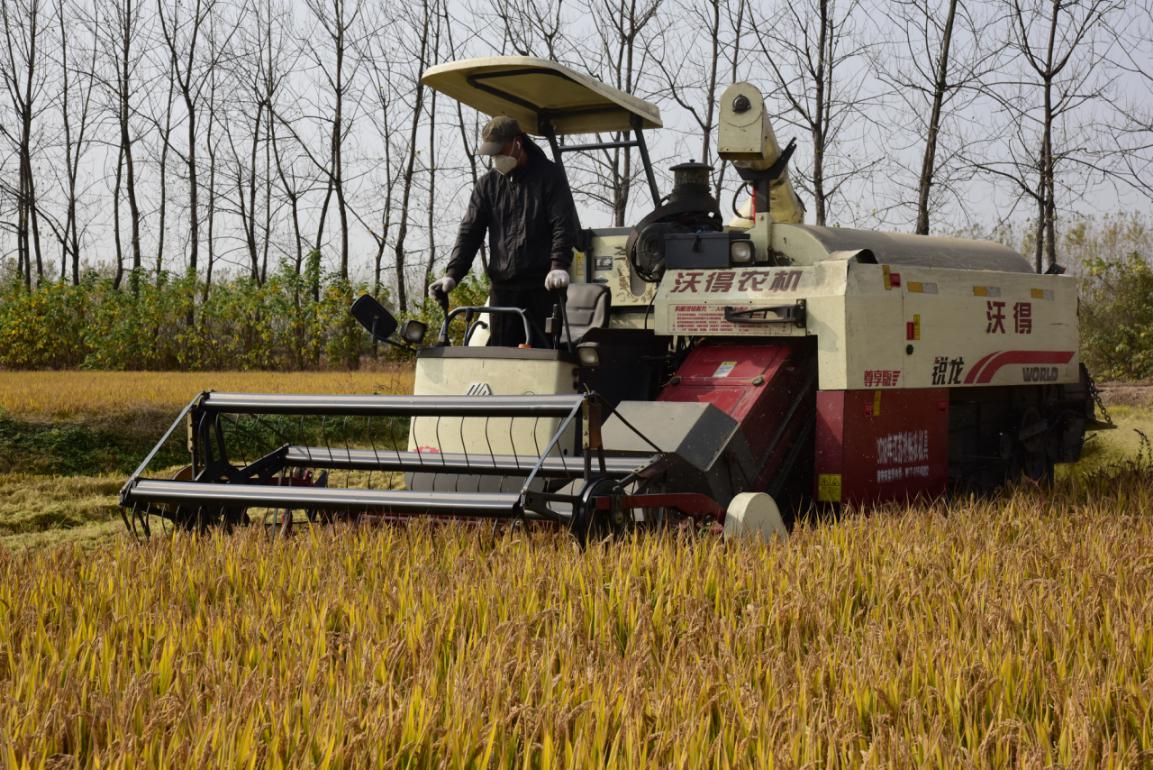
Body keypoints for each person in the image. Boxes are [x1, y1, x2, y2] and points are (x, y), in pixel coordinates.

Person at [428, 116, 579, 347]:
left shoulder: (550, 176)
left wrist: (558, 264)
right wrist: (452, 274)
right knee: (501, 355)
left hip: (542, 287)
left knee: (543, 353)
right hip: (503, 290)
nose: (496, 157)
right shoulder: (487, 185)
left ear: (518, 143)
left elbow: (562, 224)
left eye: (499, 150)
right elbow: (470, 231)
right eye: (492, 153)